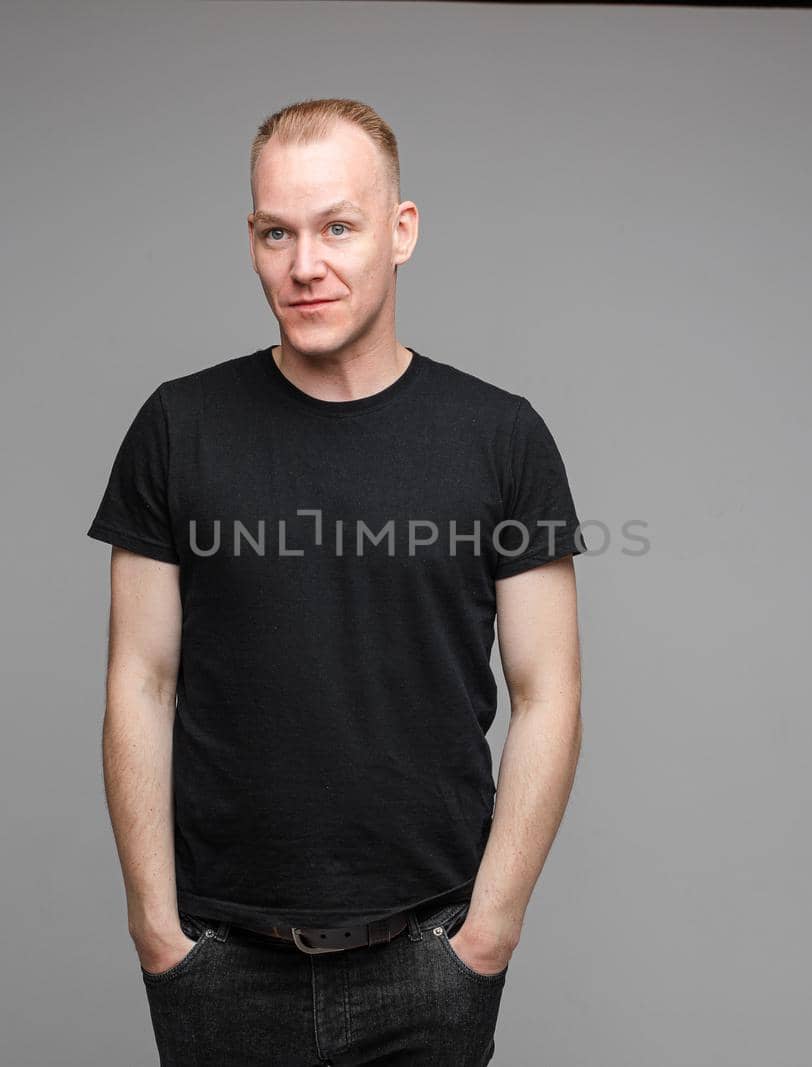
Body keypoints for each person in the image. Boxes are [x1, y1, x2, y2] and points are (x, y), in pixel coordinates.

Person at [86, 97, 585, 1066]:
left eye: (337, 227)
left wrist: (489, 932)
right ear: (252, 237)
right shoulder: (178, 427)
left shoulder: (500, 436)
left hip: (430, 953)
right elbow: (137, 680)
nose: (303, 264)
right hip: (220, 955)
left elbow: (549, 690)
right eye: (278, 231)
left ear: (400, 232)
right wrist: (157, 929)